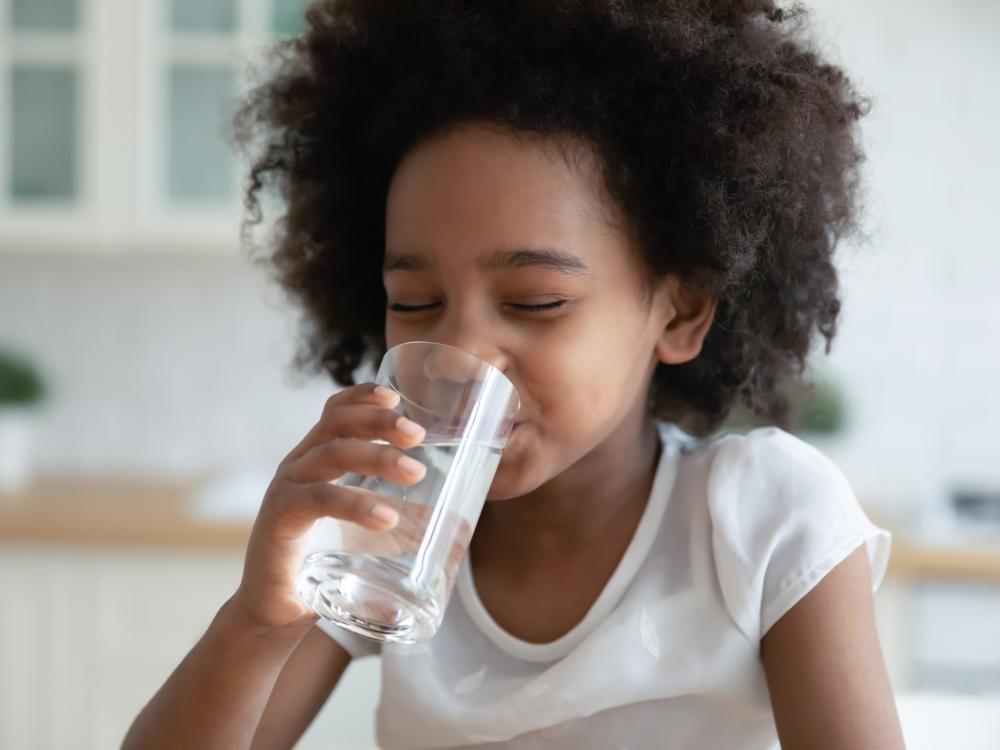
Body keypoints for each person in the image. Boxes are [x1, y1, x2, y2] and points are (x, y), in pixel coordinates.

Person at [123, 1, 906, 748]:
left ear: (678, 315)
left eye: (536, 302)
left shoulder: (764, 519)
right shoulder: (392, 533)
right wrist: (261, 619)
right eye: (416, 301)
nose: (463, 352)